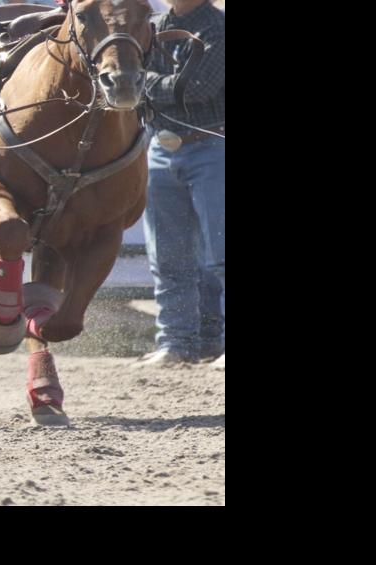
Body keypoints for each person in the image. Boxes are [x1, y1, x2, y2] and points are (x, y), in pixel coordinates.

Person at [137, 0, 224, 365]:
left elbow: (196, 88)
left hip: (210, 145)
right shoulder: (153, 28)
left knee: (220, 254)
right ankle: (176, 341)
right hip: (164, 147)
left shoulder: (217, 28)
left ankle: (198, 338)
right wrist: (149, 84)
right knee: (168, 255)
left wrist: (142, 82)